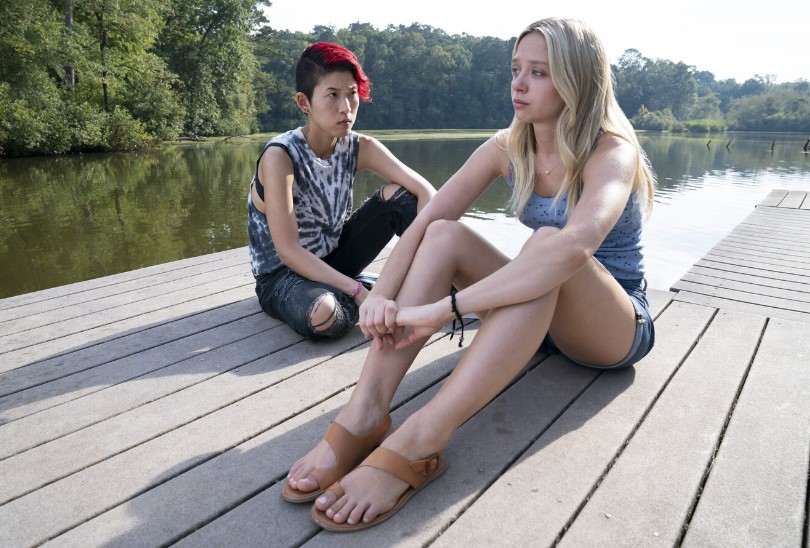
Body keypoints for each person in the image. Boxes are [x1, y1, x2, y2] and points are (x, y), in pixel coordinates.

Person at [282, 18, 657, 532]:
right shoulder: (508, 146)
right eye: (516, 69)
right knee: (443, 234)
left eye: (539, 73)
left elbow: (574, 249)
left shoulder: (612, 151)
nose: (519, 84)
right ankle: (364, 412)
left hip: (613, 328)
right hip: (538, 319)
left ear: (577, 81)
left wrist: (444, 310)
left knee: (547, 244)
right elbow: (427, 219)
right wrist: (379, 296)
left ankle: (422, 438)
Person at [248, 42, 436, 340]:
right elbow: (288, 251)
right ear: (304, 102)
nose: (346, 107)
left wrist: (426, 260)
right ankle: (376, 298)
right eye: (333, 95)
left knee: (401, 198)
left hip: (336, 259)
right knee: (324, 315)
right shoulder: (280, 156)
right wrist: (358, 291)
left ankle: (437, 285)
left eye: (352, 93)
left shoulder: (360, 146)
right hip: (282, 276)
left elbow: (426, 193)